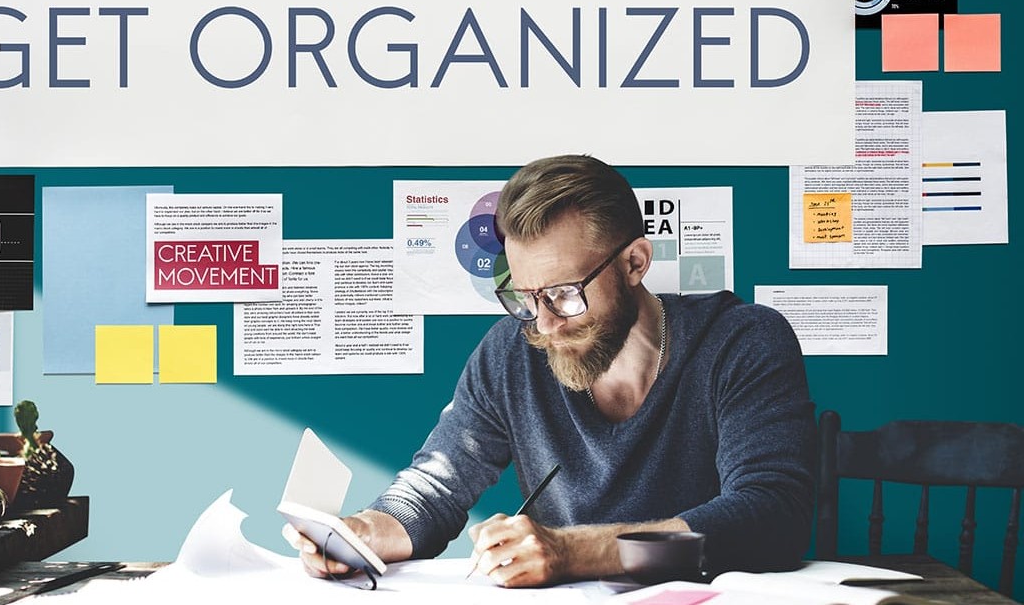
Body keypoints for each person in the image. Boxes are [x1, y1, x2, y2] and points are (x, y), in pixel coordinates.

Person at [285, 154, 817, 588]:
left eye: (564, 293)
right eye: (525, 295)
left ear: (635, 262)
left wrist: (573, 550)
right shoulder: (512, 352)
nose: (544, 323)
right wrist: (366, 531)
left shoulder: (742, 341)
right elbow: (438, 486)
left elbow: (772, 515)